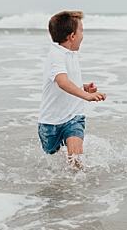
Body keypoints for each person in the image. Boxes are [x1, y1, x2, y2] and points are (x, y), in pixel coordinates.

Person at [37, 11, 107, 169]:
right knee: (54, 162)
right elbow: (62, 82)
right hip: (50, 121)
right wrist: (86, 96)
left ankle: (77, 190)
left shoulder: (71, 54)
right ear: (72, 36)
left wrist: (85, 89)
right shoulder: (56, 55)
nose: (83, 35)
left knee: (76, 158)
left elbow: (69, 82)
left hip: (74, 115)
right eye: (82, 31)